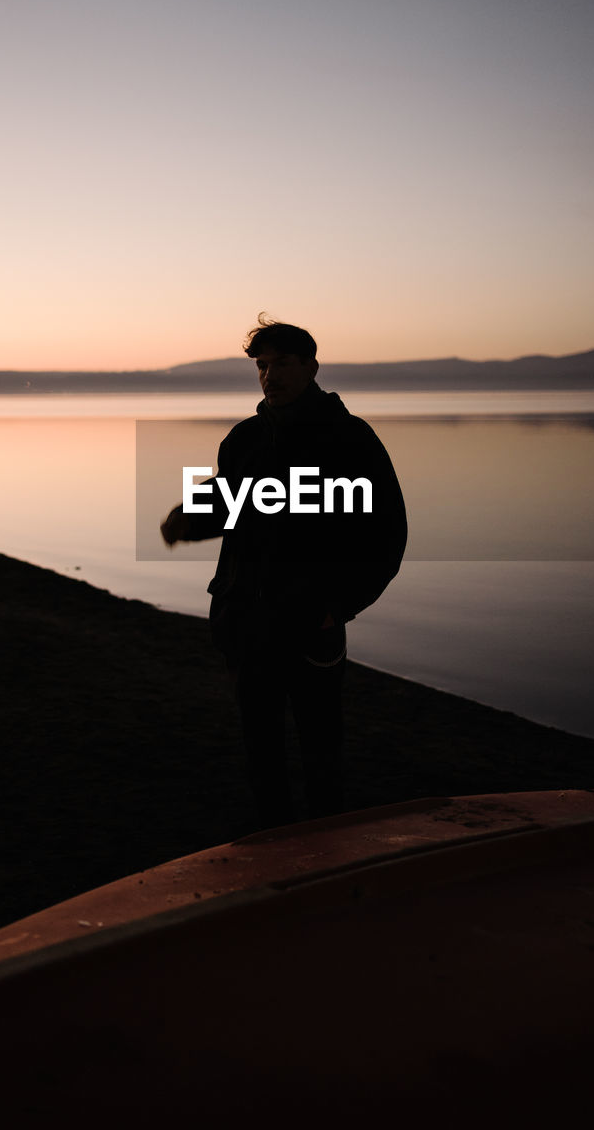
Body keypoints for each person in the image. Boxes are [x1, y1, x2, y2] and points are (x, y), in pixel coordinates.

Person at [161, 317, 407, 827]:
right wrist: (186, 519)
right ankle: (276, 855)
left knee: (322, 756)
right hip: (245, 624)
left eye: (282, 364)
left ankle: (328, 862)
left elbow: (386, 536)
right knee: (261, 755)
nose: (270, 375)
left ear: (311, 367)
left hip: (310, 626)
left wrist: (338, 607)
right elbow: (232, 506)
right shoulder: (244, 438)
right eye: (262, 365)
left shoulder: (350, 439)